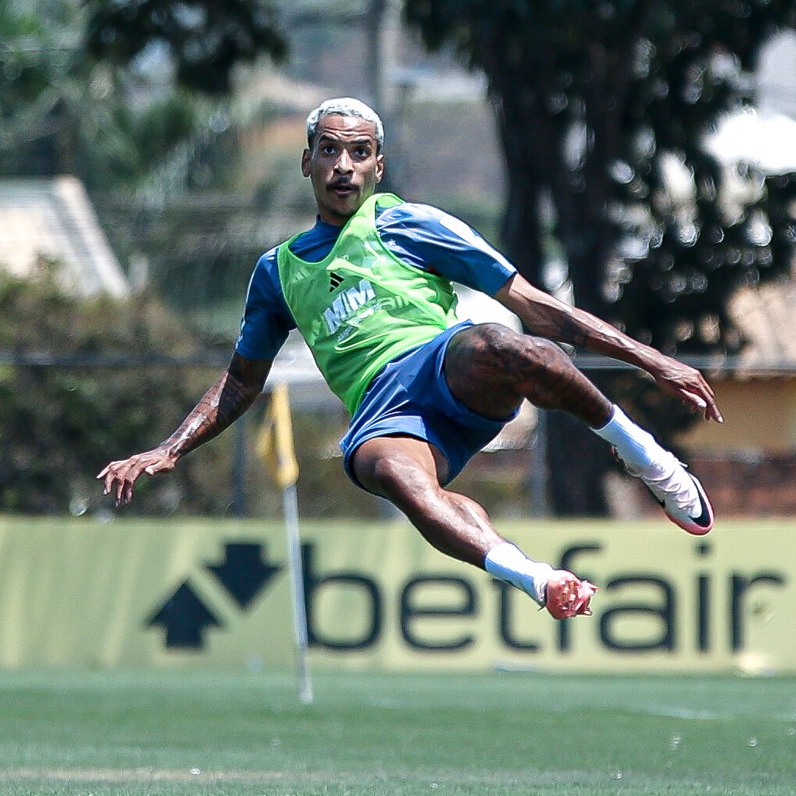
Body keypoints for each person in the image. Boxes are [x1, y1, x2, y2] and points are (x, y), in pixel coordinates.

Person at [99, 97, 723, 620]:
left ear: (378, 165)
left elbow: (538, 307)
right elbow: (240, 382)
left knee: (507, 342)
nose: (344, 166)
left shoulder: (408, 224)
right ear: (307, 160)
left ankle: (648, 458)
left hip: (444, 368)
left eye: (360, 153)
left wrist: (652, 359)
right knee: (396, 477)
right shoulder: (277, 273)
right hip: (383, 415)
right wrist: (168, 449)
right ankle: (534, 579)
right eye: (330, 151)